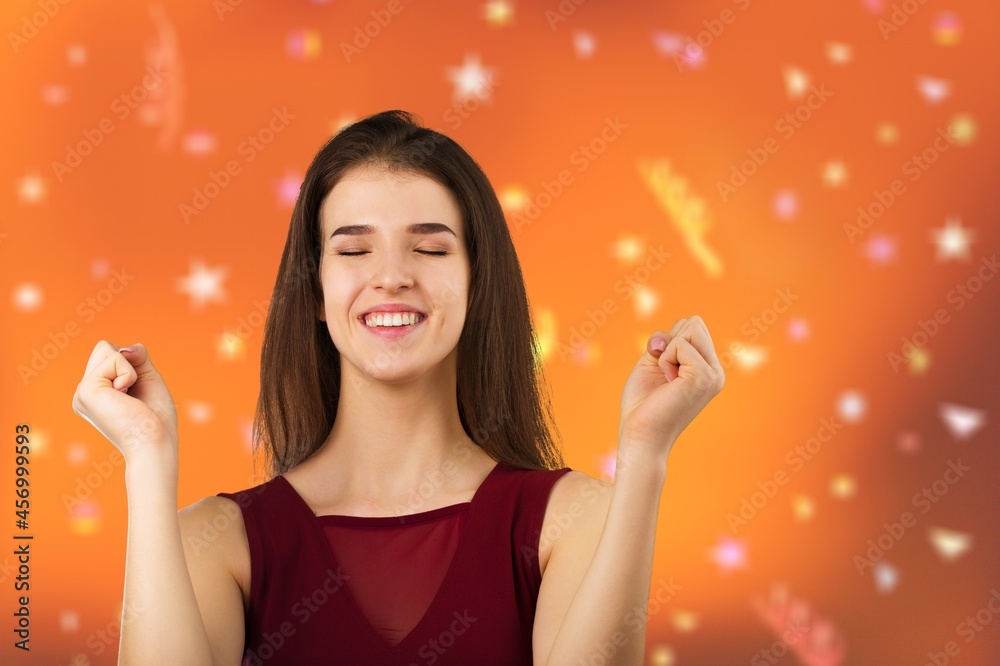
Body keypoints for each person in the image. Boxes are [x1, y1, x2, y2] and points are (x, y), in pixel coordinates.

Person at [71, 110, 725, 665]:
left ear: (477, 284)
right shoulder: (218, 542)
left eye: (431, 250)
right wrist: (146, 463)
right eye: (354, 251)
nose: (391, 277)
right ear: (318, 293)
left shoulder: (570, 521)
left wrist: (645, 455)